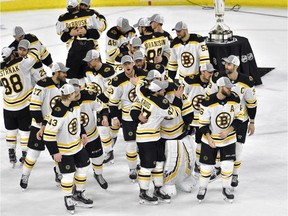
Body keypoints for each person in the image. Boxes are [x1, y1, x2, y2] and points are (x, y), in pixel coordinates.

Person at [206, 55, 257, 188]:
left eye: (229, 64)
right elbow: (210, 95)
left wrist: (252, 121)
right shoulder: (218, 77)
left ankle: (234, 174)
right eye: (225, 64)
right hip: (221, 119)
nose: (226, 66)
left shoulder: (246, 81)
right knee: (217, 145)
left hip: (239, 120)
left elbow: (251, 103)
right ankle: (218, 168)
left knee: (238, 148)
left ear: (236, 66)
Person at [130, 80, 184, 204]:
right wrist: (177, 98)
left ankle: (157, 189)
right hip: (146, 139)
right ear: (156, 91)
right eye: (162, 90)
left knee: (159, 163)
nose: (164, 91)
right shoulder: (161, 103)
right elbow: (175, 113)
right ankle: (143, 192)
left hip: (154, 136)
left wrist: (139, 82)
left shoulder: (143, 95)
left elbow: (138, 89)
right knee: (147, 166)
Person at [43, 83, 93, 214]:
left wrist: (83, 132)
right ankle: (68, 198)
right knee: (68, 175)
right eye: (74, 93)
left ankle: (78, 194)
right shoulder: (58, 112)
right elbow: (48, 135)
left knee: (84, 168)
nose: (77, 95)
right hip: (64, 150)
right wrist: (54, 152)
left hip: (77, 146)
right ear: (70, 95)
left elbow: (78, 122)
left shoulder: (75, 105)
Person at [20, 62, 68, 190]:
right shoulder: (42, 85)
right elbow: (34, 107)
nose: (65, 74)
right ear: (56, 72)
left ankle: (58, 172)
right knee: (33, 154)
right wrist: (42, 125)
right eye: (63, 72)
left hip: (57, 126)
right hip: (39, 126)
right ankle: (25, 175)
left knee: (59, 153)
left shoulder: (65, 85)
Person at [197, 77, 244, 203]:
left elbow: (239, 118)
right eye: (227, 87)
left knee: (227, 164)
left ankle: (226, 188)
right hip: (210, 139)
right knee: (206, 167)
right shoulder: (207, 102)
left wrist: (228, 131)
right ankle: (202, 187)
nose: (230, 89)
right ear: (220, 87)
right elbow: (202, 124)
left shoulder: (234, 99)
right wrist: (209, 137)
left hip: (228, 139)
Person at [108, 55, 146, 180]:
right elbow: (113, 102)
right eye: (125, 64)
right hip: (128, 117)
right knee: (131, 145)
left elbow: (151, 91)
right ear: (122, 66)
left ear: (133, 63)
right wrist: (114, 117)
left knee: (145, 143)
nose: (127, 66)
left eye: (129, 63)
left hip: (144, 115)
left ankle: (145, 165)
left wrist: (139, 83)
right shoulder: (118, 80)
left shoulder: (143, 74)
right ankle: (132, 168)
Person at [0, 46, 39, 167]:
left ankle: (11, 155)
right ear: (12, 54)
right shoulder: (21, 63)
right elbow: (36, 54)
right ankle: (24, 156)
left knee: (11, 131)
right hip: (23, 105)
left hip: (8, 106)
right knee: (25, 132)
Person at [69, 79, 109, 190]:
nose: (76, 97)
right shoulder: (64, 101)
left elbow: (103, 107)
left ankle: (98, 174)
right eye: (73, 95)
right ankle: (73, 183)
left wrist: (104, 118)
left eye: (77, 94)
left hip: (91, 135)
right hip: (74, 139)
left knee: (98, 158)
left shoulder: (89, 96)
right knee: (76, 164)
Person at [83, 49, 119, 164]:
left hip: (112, 103)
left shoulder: (108, 70)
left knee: (113, 127)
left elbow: (111, 91)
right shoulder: (88, 70)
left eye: (90, 60)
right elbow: (90, 87)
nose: (88, 63)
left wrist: (103, 102)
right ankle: (109, 152)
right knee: (103, 129)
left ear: (96, 59)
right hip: (100, 103)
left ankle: (112, 139)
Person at [56, 0, 102, 85]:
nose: (72, 11)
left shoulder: (90, 14)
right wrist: (70, 34)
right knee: (76, 78)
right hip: (75, 51)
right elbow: (63, 38)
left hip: (89, 48)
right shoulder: (63, 18)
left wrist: (86, 32)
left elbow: (97, 34)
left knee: (95, 76)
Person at [183, 62, 215, 175]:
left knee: (200, 142)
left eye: (212, 72)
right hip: (190, 117)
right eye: (209, 72)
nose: (211, 74)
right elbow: (183, 96)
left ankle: (198, 163)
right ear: (202, 72)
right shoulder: (189, 81)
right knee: (185, 140)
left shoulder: (214, 83)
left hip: (204, 119)